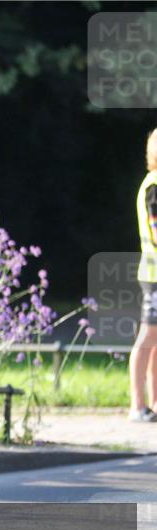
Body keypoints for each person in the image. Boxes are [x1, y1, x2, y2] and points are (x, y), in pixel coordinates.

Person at [129, 129, 157, 423]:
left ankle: (153, 402)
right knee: (148, 336)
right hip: (154, 275)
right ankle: (137, 405)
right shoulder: (154, 186)